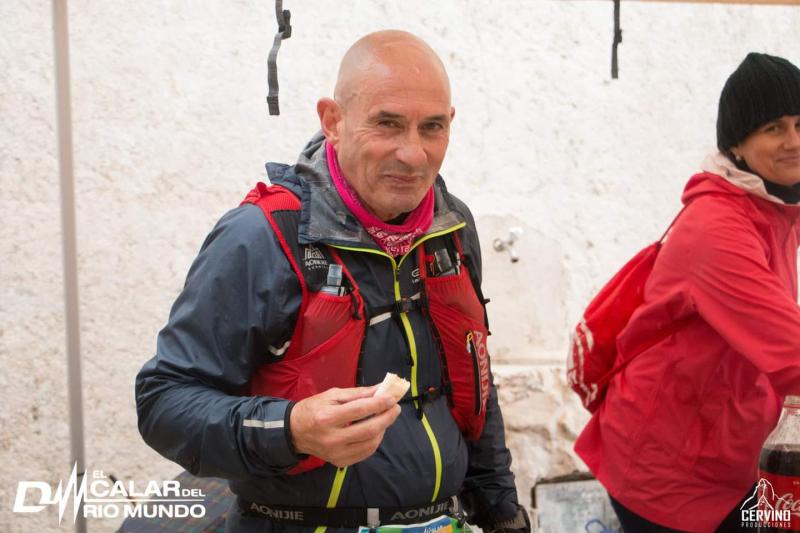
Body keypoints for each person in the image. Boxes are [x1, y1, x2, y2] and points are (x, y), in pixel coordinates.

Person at [135, 30, 528, 533]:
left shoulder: (451, 228)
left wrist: (502, 512)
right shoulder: (262, 235)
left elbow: (474, 383)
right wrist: (289, 430)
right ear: (333, 121)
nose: (413, 154)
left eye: (432, 128)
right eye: (387, 124)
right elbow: (163, 402)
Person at [574, 52, 800, 532]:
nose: (794, 141)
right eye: (774, 128)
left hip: (728, 450)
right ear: (737, 143)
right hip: (669, 472)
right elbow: (791, 352)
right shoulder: (718, 229)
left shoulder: (774, 206)